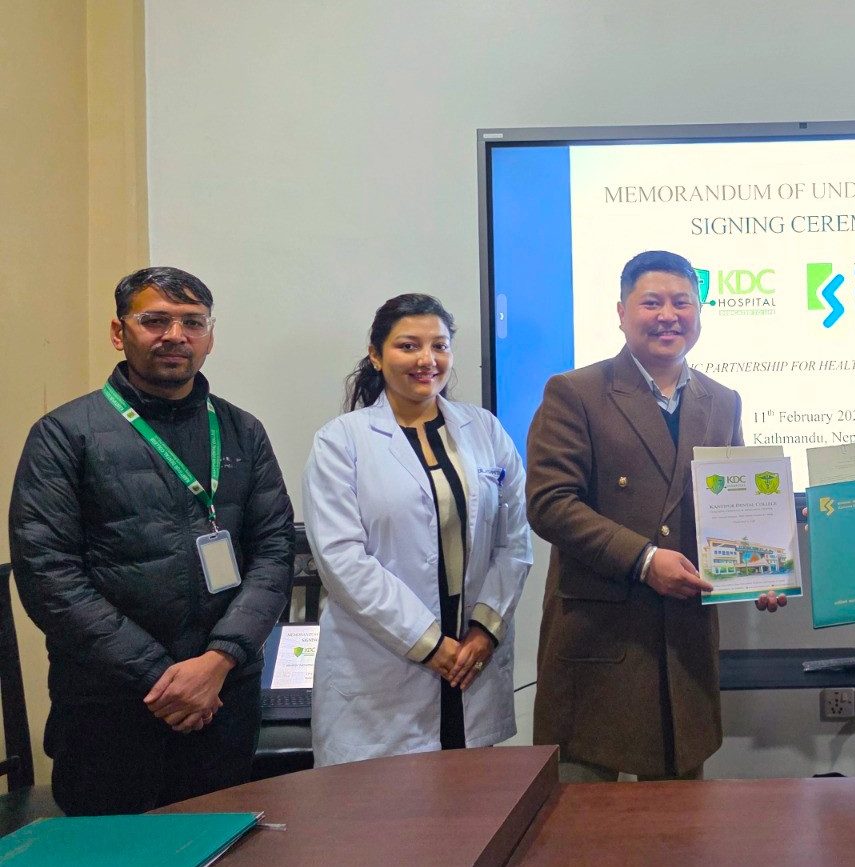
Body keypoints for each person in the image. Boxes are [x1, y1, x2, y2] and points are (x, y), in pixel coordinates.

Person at [8, 266, 294, 814]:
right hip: (110, 704)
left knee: (224, 839)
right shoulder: (64, 435)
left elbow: (275, 552)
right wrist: (162, 679)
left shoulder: (243, 431)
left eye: (192, 322)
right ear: (120, 333)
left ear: (210, 337)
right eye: (155, 320)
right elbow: (49, 576)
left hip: (223, 698)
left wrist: (219, 661)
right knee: (115, 847)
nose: (175, 336)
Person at [528, 250, 744, 781]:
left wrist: (756, 574)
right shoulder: (575, 392)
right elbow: (550, 503)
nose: (668, 315)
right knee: (582, 815)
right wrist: (644, 560)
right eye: (652, 303)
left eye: (682, 302)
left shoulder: (723, 401)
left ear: (699, 314)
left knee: (679, 818)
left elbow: (735, 508)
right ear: (622, 312)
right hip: (598, 639)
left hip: (684, 643)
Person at [302, 294, 532, 766]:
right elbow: (342, 559)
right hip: (384, 662)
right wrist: (428, 644)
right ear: (376, 354)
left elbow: (515, 540)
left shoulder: (485, 430)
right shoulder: (340, 441)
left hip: (471, 657)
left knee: (471, 798)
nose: (427, 360)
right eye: (408, 346)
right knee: (387, 806)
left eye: (439, 346)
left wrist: (485, 629)